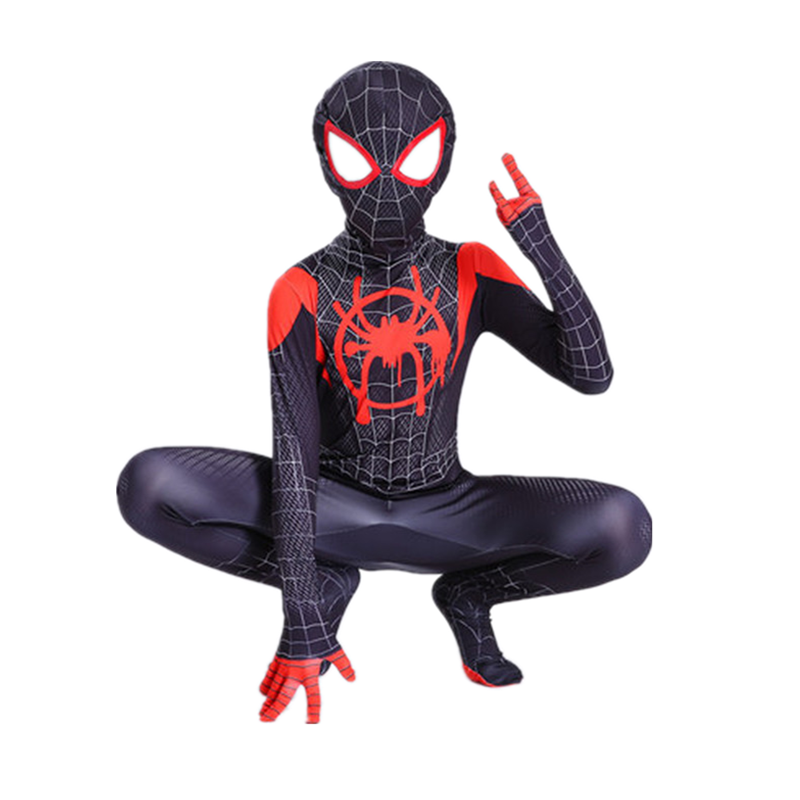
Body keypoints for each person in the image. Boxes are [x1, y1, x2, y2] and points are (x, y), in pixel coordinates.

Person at [117, 61, 651, 724]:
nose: (387, 184)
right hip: (330, 507)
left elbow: (591, 374)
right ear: (328, 160)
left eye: (413, 158)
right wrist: (303, 612)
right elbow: (294, 455)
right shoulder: (301, 288)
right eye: (360, 160)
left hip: (450, 509)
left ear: (442, 159)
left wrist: (540, 244)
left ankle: (470, 596)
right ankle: (328, 581)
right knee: (148, 484)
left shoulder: (469, 268)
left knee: (624, 527)